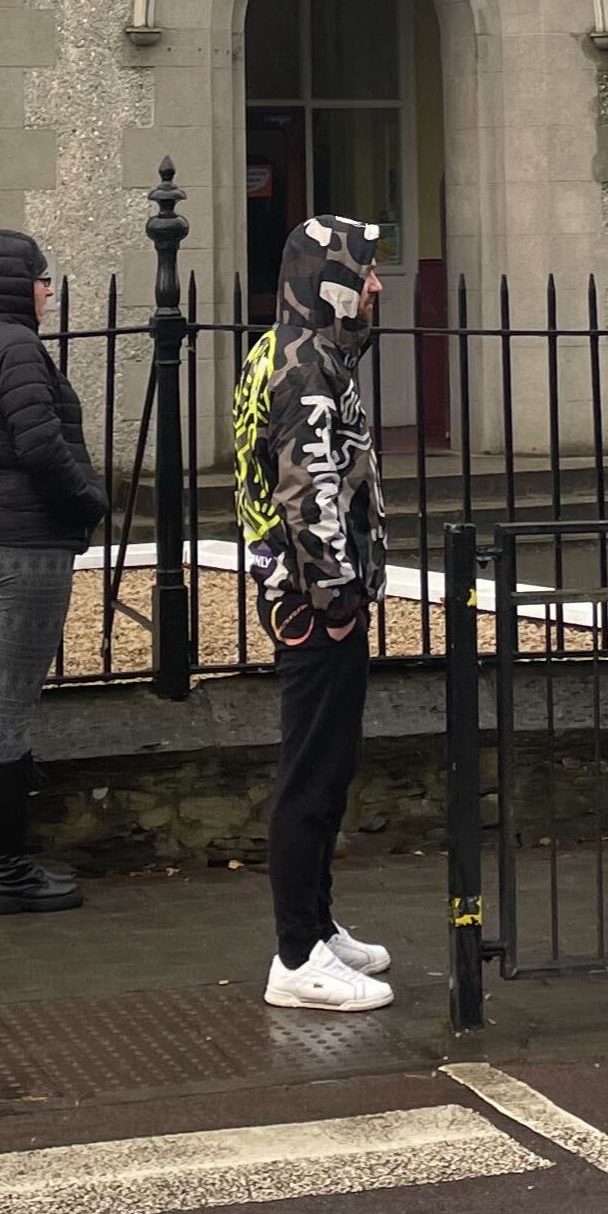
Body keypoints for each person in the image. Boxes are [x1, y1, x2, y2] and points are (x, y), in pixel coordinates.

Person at [238, 214, 397, 1013]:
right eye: (363, 271)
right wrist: (335, 600)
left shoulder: (303, 351)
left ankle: (317, 925)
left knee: (328, 771)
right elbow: (310, 493)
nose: (375, 285)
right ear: (331, 279)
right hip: (312, 605)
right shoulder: (305, 366)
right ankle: (296, 956)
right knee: (310, 775)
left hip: (309, 597)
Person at [0, 227, 106, 917]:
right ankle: (7, 872)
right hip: (28, 544)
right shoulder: (15, 347)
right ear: (15, 281)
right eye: (41, 277)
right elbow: (39, 445)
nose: (48, 289)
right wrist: (90, 500)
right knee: (9, 712)